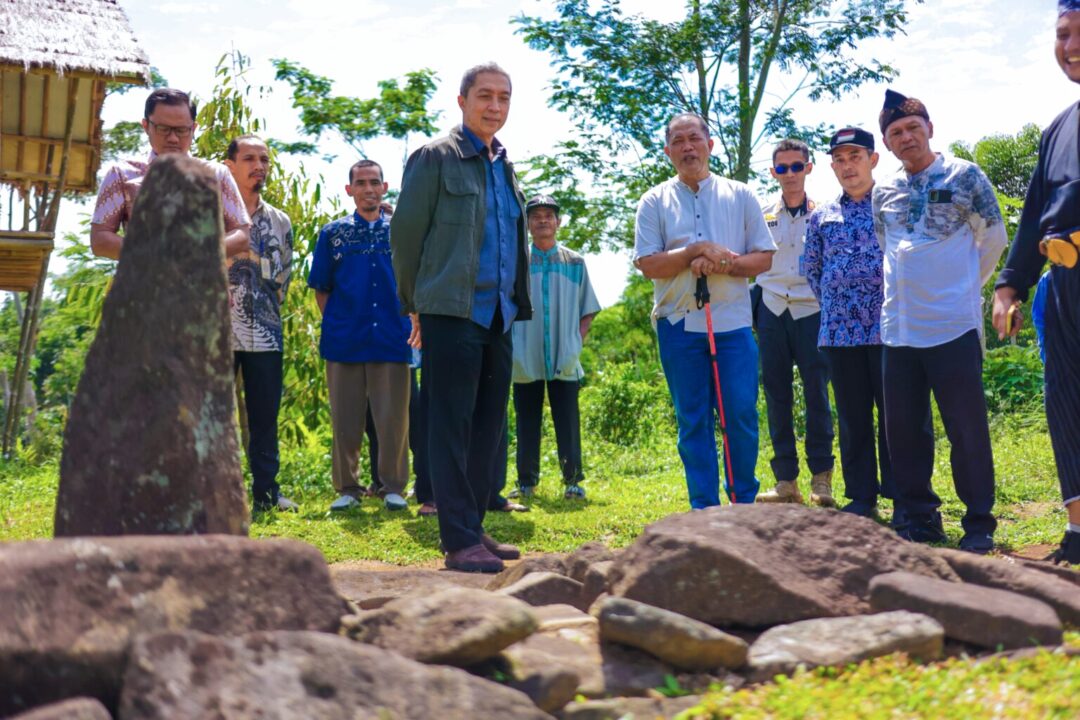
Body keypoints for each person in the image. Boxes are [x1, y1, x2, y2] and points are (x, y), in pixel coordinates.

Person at [391, 63, 532, 573]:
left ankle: (473, 526)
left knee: (489, 427)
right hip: (449, 309)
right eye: (485, 96)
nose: (495, 106)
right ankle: (457, 540)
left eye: (504, 97)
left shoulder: (503, 164)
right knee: (449, 425)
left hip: (499, 313)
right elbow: (406, 238)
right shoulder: (434, 158)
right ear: (462, 100)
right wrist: (416, 303)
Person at [874, 90, 1007, 554]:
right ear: (887, 144)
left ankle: (978, 523)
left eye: (913, 127)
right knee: (905, 433)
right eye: (895, 133)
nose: (906, 137)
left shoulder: (965, 176)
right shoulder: (883, 191)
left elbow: (994, 239)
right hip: (898, 329)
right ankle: (919, 520)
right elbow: (886, 246)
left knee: (966, 430)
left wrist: (963, 285)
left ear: (930, 128)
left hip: (953, 324)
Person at [633, 113, 775, 509]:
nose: (687, 147)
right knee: (692, 420)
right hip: (677, 324)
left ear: (710, 145)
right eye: (677, 141)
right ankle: (703, 509)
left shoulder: (741, 195)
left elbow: (763, 259)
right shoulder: (653, 201)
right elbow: (648, 264)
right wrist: (694, 252)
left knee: (741, 416)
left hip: (731, 323)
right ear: (667, 151)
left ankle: (743, 503)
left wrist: (723, 264)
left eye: (694, 138)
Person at [991, 0, 1080, 564]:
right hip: (1066, 279)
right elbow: (1032, 219)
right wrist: (1010, 286)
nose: (1070, 46)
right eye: (1063, 34)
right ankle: (1078, 531)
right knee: (1066, 400)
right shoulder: (1058, 130)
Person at [803, 127, 900, 519]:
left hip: (891, 329)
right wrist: (841, 302)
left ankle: (904, 496)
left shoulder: (894, 205)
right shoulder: (822, 215)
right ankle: (861, 498)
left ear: (873, 159)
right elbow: (812, 270)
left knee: (897, 417)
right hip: (840, 334)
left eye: (855, 156)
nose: (847, 166)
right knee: (853, 417)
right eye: (839, 159)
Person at [308, 159, 412, 513]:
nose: (368, 188)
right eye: (361, 183)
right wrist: (340, 321)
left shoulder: (400, 231)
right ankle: (348, 488)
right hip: (344, 339)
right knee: (346, 419)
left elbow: (412, 281)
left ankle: (393, 486)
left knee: (394, 419)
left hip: (392, 337)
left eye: (375, 182)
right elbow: (321, 287)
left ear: (385, 188)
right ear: (349, 189)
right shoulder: (331, 233)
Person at [754, 139, 836, 507]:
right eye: (782, 168)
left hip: (811, 308)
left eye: (796, 166)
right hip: (771, 307)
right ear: (773, 172)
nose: (790, 174)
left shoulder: (825, 212)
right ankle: (785, 480)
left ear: (808, 168)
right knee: (776, 393)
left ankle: (822, 480)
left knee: (817, 393)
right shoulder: (759, 212)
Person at [509, 194, 601, 502]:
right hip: (525, 353)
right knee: (526, 418)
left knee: (567, 418)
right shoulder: (517, 261)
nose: (543, 220)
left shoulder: (574, 262)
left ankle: (573, 480)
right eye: (536, 216)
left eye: (549, 215)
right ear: (528, 224)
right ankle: (526, 481)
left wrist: (575, 342)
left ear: (558, 222)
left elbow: (587, 309)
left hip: (565, 353)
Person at [223, 134, 297, 512]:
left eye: (264, 159)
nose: (259, 166)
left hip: (266, 335)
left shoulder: (279, 221)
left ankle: (267, 493)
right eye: (249, 158)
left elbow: (282, 277)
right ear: (229, 165)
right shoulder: (211, 215)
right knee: (215, 419)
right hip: (216, 334)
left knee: (265, 418)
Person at [90, 88, 250, 260]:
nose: (173, 138)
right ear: (146, 126)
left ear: (193, 128)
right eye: (163, 129)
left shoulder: (217, 174)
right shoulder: (121, 174)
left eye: (181, 130)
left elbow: (242, 234)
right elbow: (100, 239)